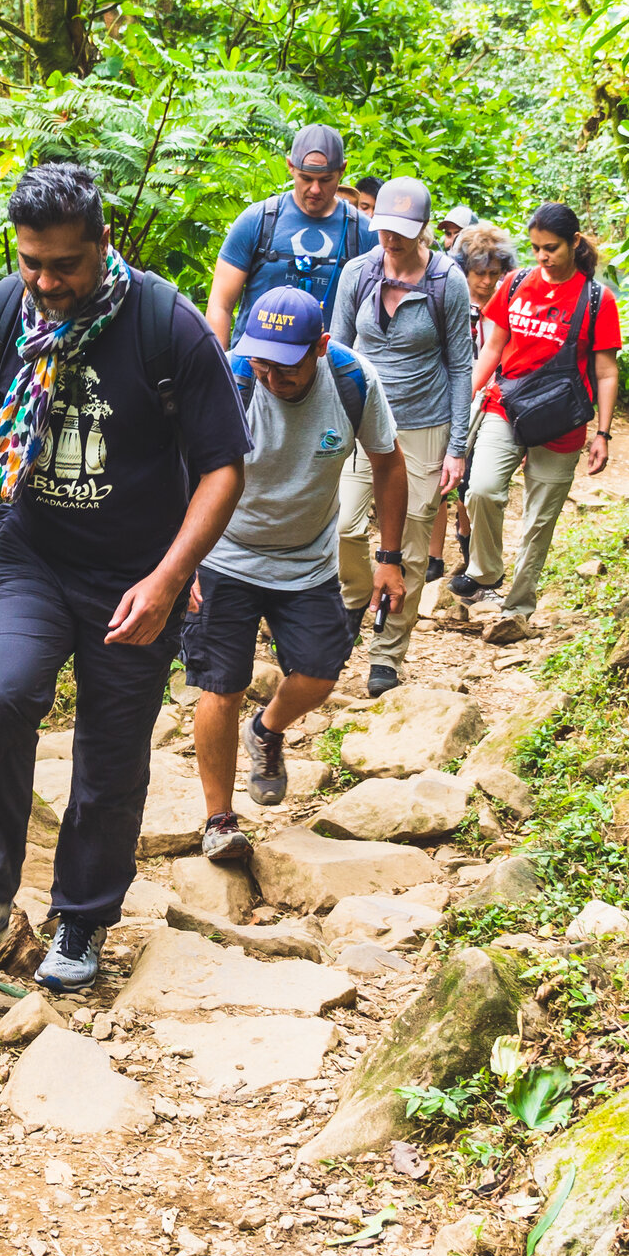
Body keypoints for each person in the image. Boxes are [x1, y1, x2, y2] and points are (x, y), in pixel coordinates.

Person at [0, 163, 248, 991]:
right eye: (31, 263)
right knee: (0, 697)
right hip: (30, 550)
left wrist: (168, 578)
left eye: (65, 266)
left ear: (103, 244)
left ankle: (81, 918)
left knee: (111, 755)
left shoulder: (167, 325)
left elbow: (223, 467)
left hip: (135, 571)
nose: (45, 282)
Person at [185, 289, 404, 857]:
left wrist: (389, 559)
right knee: (220, 683)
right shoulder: (229, 380)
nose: (270, 378)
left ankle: (268, 730)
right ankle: (219, 821)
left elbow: (388, 462)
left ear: (321, 349)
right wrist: (180, 561)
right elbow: (180, 469)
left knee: (321, 672)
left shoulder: (354, 381)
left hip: (307, 558)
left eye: (285, 367)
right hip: (225, 551)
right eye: (261, 362)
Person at [445, 201, 623, 640]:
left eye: (552, 248)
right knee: (482, 489)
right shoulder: (515, 282)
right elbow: (491, 348)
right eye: (537, 247)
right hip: (507, 405)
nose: (543, 257)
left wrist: (602, 433)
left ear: (574, 243)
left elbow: (605, 371)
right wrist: (464, 395)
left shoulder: (597, 299)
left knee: (539, 521)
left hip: (563, 420)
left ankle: (518, 608)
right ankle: (486, 571)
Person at [327, 176, 475, 696]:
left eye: (402, 233)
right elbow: (335, 351)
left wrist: (458, 447)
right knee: (344, 525)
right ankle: (353, 599)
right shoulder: (358, 274)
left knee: (412, 540)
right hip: (363, 421)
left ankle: (387, 653)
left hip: (424, 425)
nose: (390, 241)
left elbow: (462, 366)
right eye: (384, 229)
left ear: (424, 231)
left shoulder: (447, 281)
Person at [205, 125, 380, 343]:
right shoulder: (258, 220)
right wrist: (222, 370)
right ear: (290, 166)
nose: (315, 189)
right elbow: (220, 305)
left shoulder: (364, 232)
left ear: (342, 170)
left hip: (329, 369)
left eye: (326, 180)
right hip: (254, 368)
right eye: (306, 178)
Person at [436, 224, 520, 580]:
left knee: (475, 481)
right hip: (454, 394)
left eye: (493, 274)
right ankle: (432, 559)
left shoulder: (511, 303)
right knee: (441, 477)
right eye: (479, 274)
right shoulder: (450, 298)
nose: (486, 282)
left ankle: (473, 559)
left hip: (495, 399)